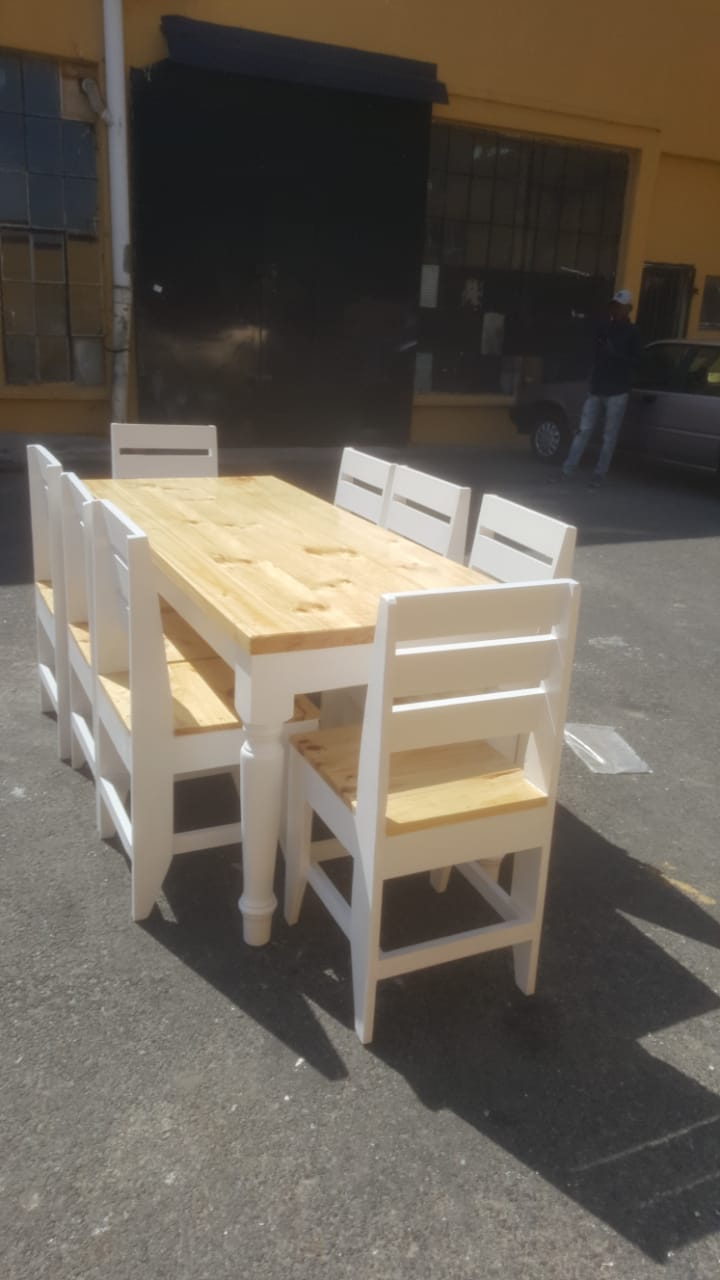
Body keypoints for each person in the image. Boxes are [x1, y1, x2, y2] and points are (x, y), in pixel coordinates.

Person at [553, 288, 642, 488]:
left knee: (608, 436)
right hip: (597, 388)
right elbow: (595, 354)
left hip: (618, 391)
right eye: (614, 306)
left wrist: (616, 355)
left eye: (619, 307)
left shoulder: (633, 333)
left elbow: (636, 362)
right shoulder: (605, 329)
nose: (615, 310)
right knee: (583, 431)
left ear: (628, 309)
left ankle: (599, 475)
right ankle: (567, 470)